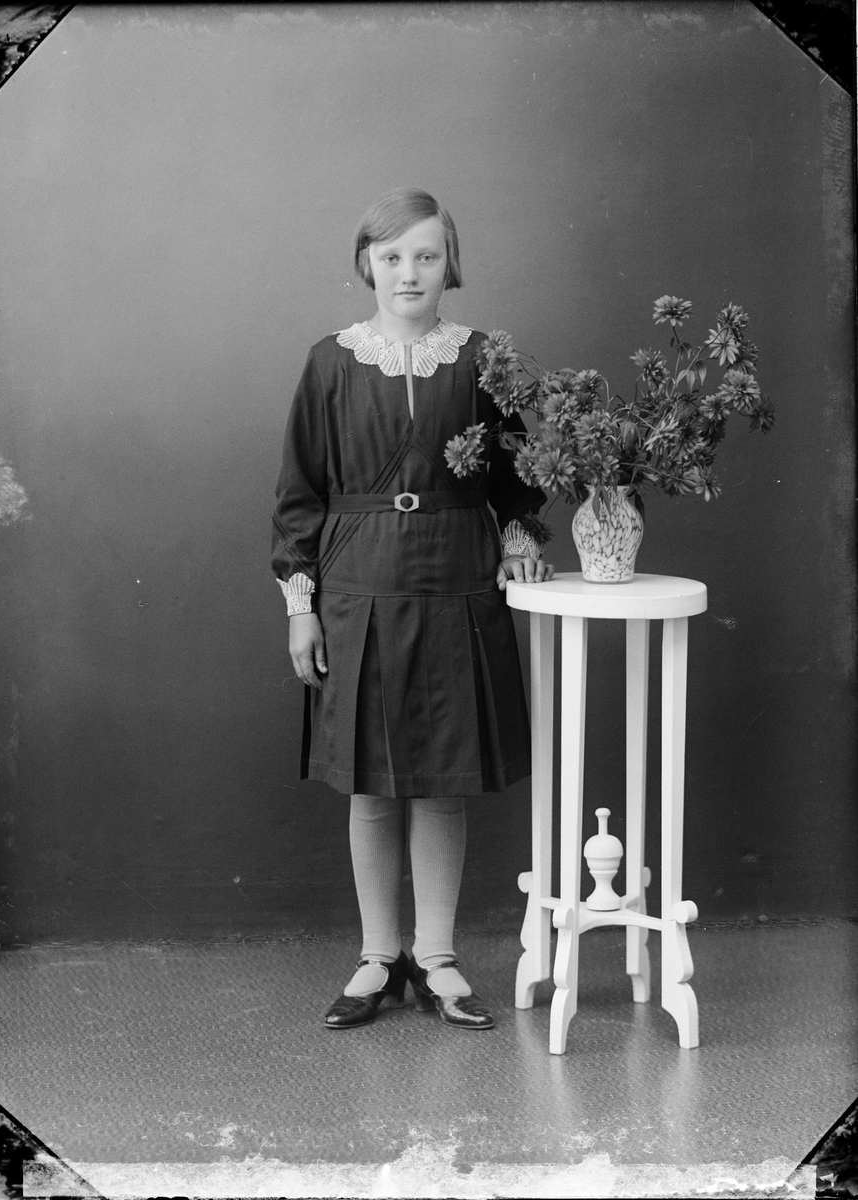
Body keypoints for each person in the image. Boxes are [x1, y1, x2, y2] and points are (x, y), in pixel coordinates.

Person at [272, 187, 553, 1031]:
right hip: (358, 581)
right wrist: (301, 605)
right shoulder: (330, 362)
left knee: (441, 780)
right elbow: (298, 494)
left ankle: (437, 959)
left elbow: (518, 476)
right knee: (371, 782)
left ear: (448, 264)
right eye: (391, 256)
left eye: (426, 255)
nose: (408, 272)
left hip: (457, 576)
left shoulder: (482, 360)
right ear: (367, 263)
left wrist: (518, 537)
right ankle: (377, 957)